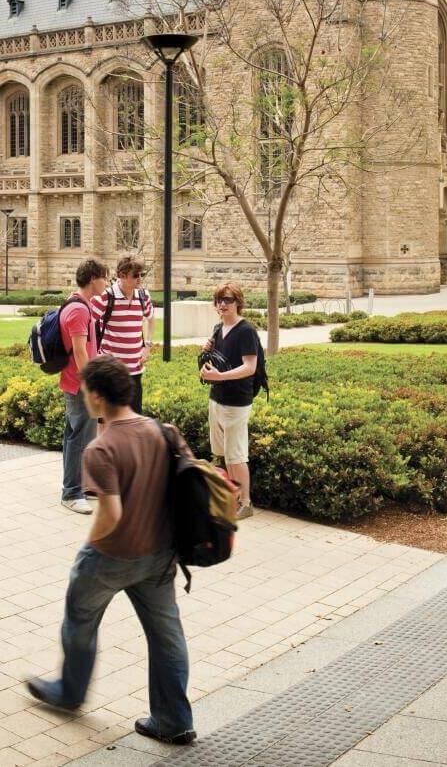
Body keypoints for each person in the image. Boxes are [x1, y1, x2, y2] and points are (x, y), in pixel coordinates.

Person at [27, 356, 196, 745]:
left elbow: (111, 513)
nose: (84, 397)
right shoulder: (162, 431)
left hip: (112, 557)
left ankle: (69, 693)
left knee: (80, 619)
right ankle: (175, 721)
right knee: (166, 635)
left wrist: (91, 545)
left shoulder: (102, 449)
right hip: (160, 557)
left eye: (86, 391)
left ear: (99, 396)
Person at [200, 283, 259, 520]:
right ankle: (232, 497)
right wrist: (205, 357)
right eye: (218, 300)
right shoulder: (218, 328)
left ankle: (246, 503)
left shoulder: (246, 331)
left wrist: (220, 376)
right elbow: (216, 361)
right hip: (217, 397)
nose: (222, 304)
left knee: (236, 454)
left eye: (228, 300)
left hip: (236, 401)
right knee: (225, 454)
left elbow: (250, 367)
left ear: (238, 302)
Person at [60, 258, 109, 514]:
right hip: (79, 385)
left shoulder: (78, 304)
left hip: (74, 383)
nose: (107, 283)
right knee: (80, 439)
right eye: (104, 277)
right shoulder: (79, 309)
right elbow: (79, 352)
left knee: (74, 437)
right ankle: (72, 493)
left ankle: (74, 488)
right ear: (93, 279)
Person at [91, 256, 156, 415]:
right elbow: (86, 324)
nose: (140, 279)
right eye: (136, 275)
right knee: (108, 418)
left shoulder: (143, 295)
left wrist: (147, 347)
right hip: (111, 371)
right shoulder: (106, 297)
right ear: (122, 275)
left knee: (134, 417)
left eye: (142, 274)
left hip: (135, 369)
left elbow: (151, 318)